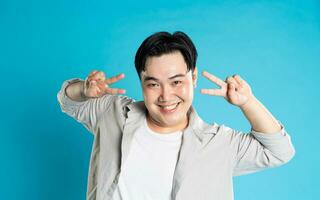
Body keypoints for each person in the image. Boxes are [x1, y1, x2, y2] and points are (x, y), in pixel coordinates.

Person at [57, 31, 295, 200]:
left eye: (176, 82)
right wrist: (83, 90)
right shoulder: (114, 112)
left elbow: (279, 151)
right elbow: (68, 101)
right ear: (141, 82)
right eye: (153, 84)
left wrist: (248, 103)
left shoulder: (218, 143)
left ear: (193, 77)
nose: (166, 96)